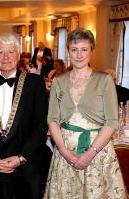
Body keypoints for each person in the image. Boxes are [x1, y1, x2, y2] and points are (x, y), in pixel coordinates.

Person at [44, 28, 127, 198]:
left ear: (91, 51)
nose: (79, 55)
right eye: (74, 50)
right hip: (66, 153)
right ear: (68, 51)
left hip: (98, 152)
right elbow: (52, 119)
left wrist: (90, 153)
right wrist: (65, 152)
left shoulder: (104, 80)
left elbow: (112, 121)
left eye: (84, 49)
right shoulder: (58, 81)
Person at [0, 33, 48, 199]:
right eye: (0, 52)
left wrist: (21, 158)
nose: (5, 57)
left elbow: (41, 125)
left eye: (10, 52)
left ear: (18, 55)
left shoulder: (35, 83)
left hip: (27, 165)